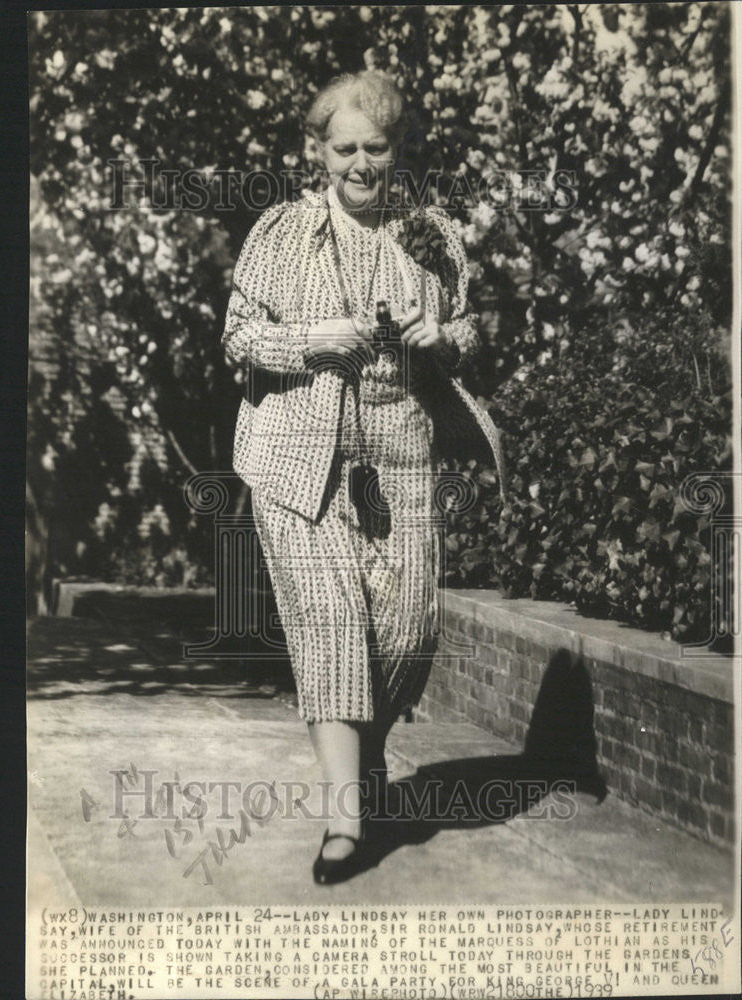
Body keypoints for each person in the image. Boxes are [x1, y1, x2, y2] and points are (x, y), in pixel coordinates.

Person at [222, 70, 506, 884]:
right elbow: (239, 339)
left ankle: (365, 756)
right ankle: (346, 822)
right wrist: (311, 340)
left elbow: (470, 334)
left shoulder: (430, 237)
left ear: (397, 151)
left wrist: (440, 336)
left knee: (406, 637)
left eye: (374, 147)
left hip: (400, 452)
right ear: (315, 153)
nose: (357, 163)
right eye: (341, 147)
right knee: (330, 626)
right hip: (294, 455)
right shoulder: (280, 233)